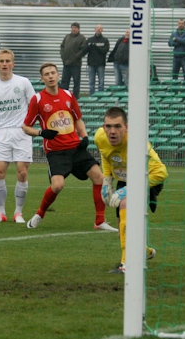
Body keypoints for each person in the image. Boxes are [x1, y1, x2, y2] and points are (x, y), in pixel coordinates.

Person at [22, 63, 117, 232]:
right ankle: (39, 213)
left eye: (53, 73)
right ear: (42, 78)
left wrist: (85, 136)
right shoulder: (37, 99)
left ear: (58, 75)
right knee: (57, 186)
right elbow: (26, 127)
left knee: (99, 178)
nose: (50, 76)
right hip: (56, 152)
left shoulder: (68, 95)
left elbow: (78, 119)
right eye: (46, 74)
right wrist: (41, 133)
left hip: (76, 148)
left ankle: (99, 221)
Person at [95, 107, 166, 274]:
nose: (112, 131)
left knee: (125, 204)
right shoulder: (100, 137)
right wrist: (106, 179)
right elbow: (106, 155)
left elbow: (161, 173)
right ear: (103, 127)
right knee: (123, 232)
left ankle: (126, 265)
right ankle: (144, 252)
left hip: (148, 180)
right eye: (108, 126)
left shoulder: (138, 143)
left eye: (117, 126)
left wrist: (131, 189)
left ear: (126, 127)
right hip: (124, 180)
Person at [0, 48, 36, 223]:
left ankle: (18, 213)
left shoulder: (23, 82)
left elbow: (34, 106)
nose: (4, 64)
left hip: (21, 132)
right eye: (1, 61)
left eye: (7, 61)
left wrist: (30, 126)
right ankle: (1, 213)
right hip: (1, 133)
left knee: (22, 173)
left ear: (13, 64)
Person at [60, 23, 86, 94]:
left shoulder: (82, 38)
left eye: (75, 28)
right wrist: (63, 56)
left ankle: (75, 98)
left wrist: (75, 57)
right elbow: (62, 46)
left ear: (78, 29)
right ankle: (63, 96)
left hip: (75, 65)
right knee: (64, 82)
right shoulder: (67, 37)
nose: (74, 29)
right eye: (72, 27)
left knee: (76, 82)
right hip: (66, 64)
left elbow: (83, 50)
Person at [85, 25, 110, 95]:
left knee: (101, 82)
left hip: (100, 64)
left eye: (100, 28)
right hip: (91, 64)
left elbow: (105, 50)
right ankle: (92, 96)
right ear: (94, 29)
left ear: (102, 30)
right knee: (91, 82)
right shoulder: (89, 40)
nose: (99, 29)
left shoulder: (105, 40)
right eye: (97, 28)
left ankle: (100, 96)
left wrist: (96, 47)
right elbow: (85, 50)